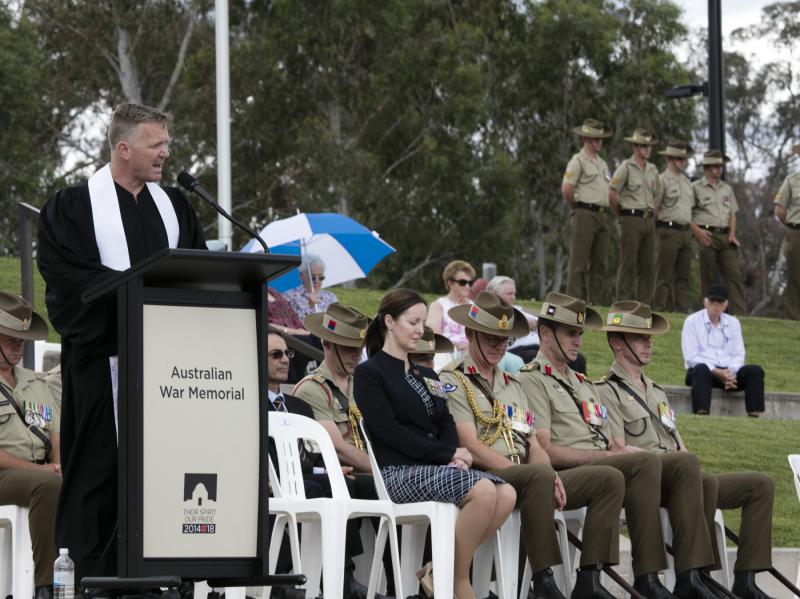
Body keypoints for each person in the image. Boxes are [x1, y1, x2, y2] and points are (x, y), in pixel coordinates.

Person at [37, 103, 207, 581]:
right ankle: (91, 579)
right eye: (157, 145)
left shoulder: (175, 206)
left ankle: (164, 578)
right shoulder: (73, 206)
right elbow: (68, 281)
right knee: (99, 476)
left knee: (166, 474)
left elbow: (197, 273)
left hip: (172, 370)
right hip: (101, 367)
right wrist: (137, 292)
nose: (166, 154)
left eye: (167, 144)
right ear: (124, 147)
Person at [518, 292, 724, 599]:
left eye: (580, 333)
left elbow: (607, 439)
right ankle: (647, 576)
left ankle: (690, 575)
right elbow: (545, 449)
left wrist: (615, 452)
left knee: (682, 466)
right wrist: (611, 455)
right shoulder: (531, 380)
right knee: (644, 464)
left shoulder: (583, 383)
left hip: (601, 466)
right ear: (545, 334)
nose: (578, 340)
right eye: (570, 333)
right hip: (564, 473)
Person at [438, 292, 625, 599]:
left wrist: (547, 473)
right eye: (491, 339)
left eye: (504, 340)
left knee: (607, 478)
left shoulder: (512, 384)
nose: (499, 347)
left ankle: (589, 579)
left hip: (524, 476)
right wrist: (530, 473)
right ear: (470, 334)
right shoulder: (454, 380)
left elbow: (535, 443)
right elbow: (469, 443)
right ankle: (543, 580)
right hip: (483, 474)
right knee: (537, 476)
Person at [597, 300, 776, 599]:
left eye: (650, 337)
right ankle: (691, 577)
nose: (649, 343)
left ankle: (746, 580)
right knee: (691, 469)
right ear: (617, 342)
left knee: (759, 485)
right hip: (647, 483)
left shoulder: (656, 390)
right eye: (640, 337)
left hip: (684, 477)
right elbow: (616, 447)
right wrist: (681, 464)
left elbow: (680, 444)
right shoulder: (606, 389)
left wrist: (688, 464)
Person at [355, 288, 516, 599]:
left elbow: (445, 422)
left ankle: (437, 571)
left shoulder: (426, 374)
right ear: (389, 321)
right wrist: (447, 454)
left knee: (506, 493)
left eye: (422, 323)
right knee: (482, 491)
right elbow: (388, 431)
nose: (419, 330)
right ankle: (457, 581)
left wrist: (453, 456)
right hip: (397, 474)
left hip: (436, 470)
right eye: (412, 322)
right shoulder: (369, 373)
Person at [268, 332, 386, 599]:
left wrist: (330, 469)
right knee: (317, 486)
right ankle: (291, 579)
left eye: (288, 354)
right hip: (272, 480)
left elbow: (316, 455)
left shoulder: (298, 406)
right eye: (276, 355)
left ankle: (344, 578)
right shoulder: (249, 403)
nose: (285, 360)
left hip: (304, 475)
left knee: (338, 481)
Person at [0, 293, 62, 599]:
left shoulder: (36, 382)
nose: (17, 346)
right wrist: (44, 471)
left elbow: (55, 434)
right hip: (5, 474)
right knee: (47, 483)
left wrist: (59, 463)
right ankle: (45, 586)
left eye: (21, 340)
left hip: (41, 472)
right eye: (10, 338)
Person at [293, 303, 372, 472]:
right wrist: (382, 472)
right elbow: (338, 448)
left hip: (370, 472)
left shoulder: (361, 384)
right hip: (344, 478)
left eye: (360, 349)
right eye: (348, 348)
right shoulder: (312, 389)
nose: (357, 356)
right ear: (327, 344)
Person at [681, 285, 765, 416]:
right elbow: (691, 357)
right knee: (701, 369)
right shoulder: (691, 322)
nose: (716, 306)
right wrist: (716, 371)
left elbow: (739, 354)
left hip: (729, 373)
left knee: (755, 371)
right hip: (704, 372)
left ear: (726, 304)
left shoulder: (733, 323)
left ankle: (754, 414)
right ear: (705, 302)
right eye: (712, 301)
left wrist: (730, 374)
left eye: (719, 302)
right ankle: (701, 412)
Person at [562, 118, 613, 305]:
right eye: (595, 138)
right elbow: (567, 189)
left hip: (602, 214)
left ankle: (595, 303)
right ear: (586, 139)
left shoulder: (603, 164)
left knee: (599, 263)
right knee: (578, 262)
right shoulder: (577, 161)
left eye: (601, 138)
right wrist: (577, 208)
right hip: (584, 212)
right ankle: (572, 303)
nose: (600, 142)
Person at [690, 150, 746, 314]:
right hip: (706, 235)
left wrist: (732, 234)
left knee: (734, 275)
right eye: (715, 166)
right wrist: (697, 231)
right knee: (708, 276)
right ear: (706, 168)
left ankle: (740, 316)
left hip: (725, 236)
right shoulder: (695, 188)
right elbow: (685, 213)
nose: (719, 169)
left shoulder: (726, 188)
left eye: (720, 166)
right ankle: (706, 314)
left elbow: (732, 213)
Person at [609, 128, 660, 303]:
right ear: (635, 147)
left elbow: (656, 194)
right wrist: (622, 215)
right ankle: (622, 303)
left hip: (648, 219)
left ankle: (643, 306)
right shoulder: (626, 167)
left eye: (649, 146)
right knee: (628, 264)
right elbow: (612, 193)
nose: (647, 149)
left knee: (647, 265)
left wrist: (653, 211)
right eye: (643, 146)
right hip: (630, 219)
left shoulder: (653, 169)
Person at [653, 140, 695, 312]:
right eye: (679, 158)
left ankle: (682, 312)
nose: (683, 162)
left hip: (686, 233)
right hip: (668, 231)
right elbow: (654, 207)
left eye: (684, 159)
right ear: (669, 159)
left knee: (683, 277)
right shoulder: (662, 180)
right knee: (663, 276)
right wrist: (661, 229)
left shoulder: (687, 182)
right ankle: (658, 310)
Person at [772, 143, 800, 319]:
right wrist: (792, 225)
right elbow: (779, 210)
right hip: (796, 234)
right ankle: (794, 321)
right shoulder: (791, 181)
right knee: (795, 277)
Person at [426, 260, 476, 355]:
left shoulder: (473, 307)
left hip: (472, 354)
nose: (467, 286)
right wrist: (456, 345)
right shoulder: (438, 306)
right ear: (450, 283)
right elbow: (434, 338)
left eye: (470, 282)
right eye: (463, 282)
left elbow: (479, 335)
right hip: (446, 353)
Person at [284, 254, 339, 321]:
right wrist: (311, 308)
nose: (317, 281)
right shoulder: (289, 297)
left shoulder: (331, 297)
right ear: (302, 276)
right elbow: (292, 324)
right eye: (312, 277)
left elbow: (335, 324)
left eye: (321, 277)